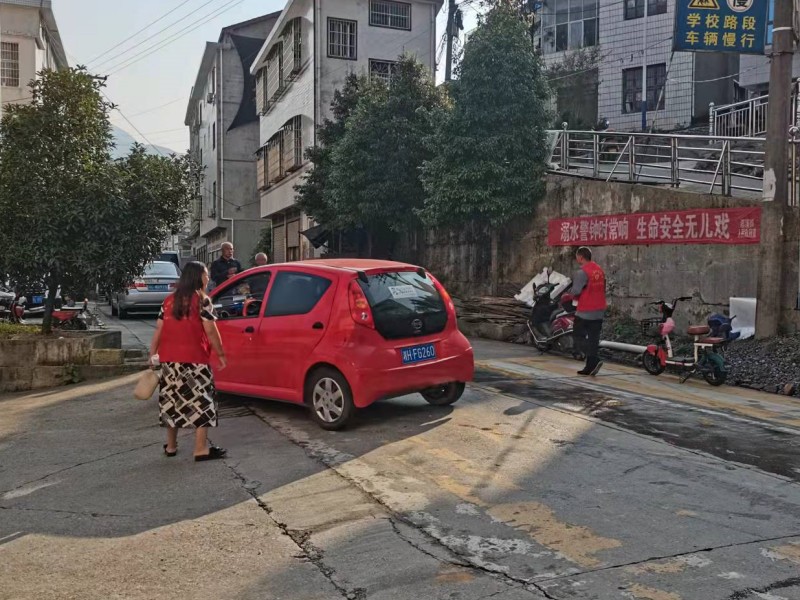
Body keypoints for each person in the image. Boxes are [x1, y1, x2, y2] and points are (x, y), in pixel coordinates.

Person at [149, 261, 228, 461]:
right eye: (206, 274)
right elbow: (211, 331)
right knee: (202, 402)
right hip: (195, 361)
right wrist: (221, 354)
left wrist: (152, 354)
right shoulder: (202, 300)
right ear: (197, 277)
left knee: (172, 402)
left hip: (169, 361)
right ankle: (200, 449)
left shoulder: (168, 301)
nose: (208, 278)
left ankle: (171, 447)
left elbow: (159, 329)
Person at [571, 246, 606, 377]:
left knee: (577, 336)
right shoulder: (599, 270)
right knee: (593, 338)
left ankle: (593, 358)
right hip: (599, 309)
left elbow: (576, 291)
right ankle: (590, 366)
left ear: (580, 257)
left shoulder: (582, 272)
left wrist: (569, 293)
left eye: (577, 257)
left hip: (585, 309)